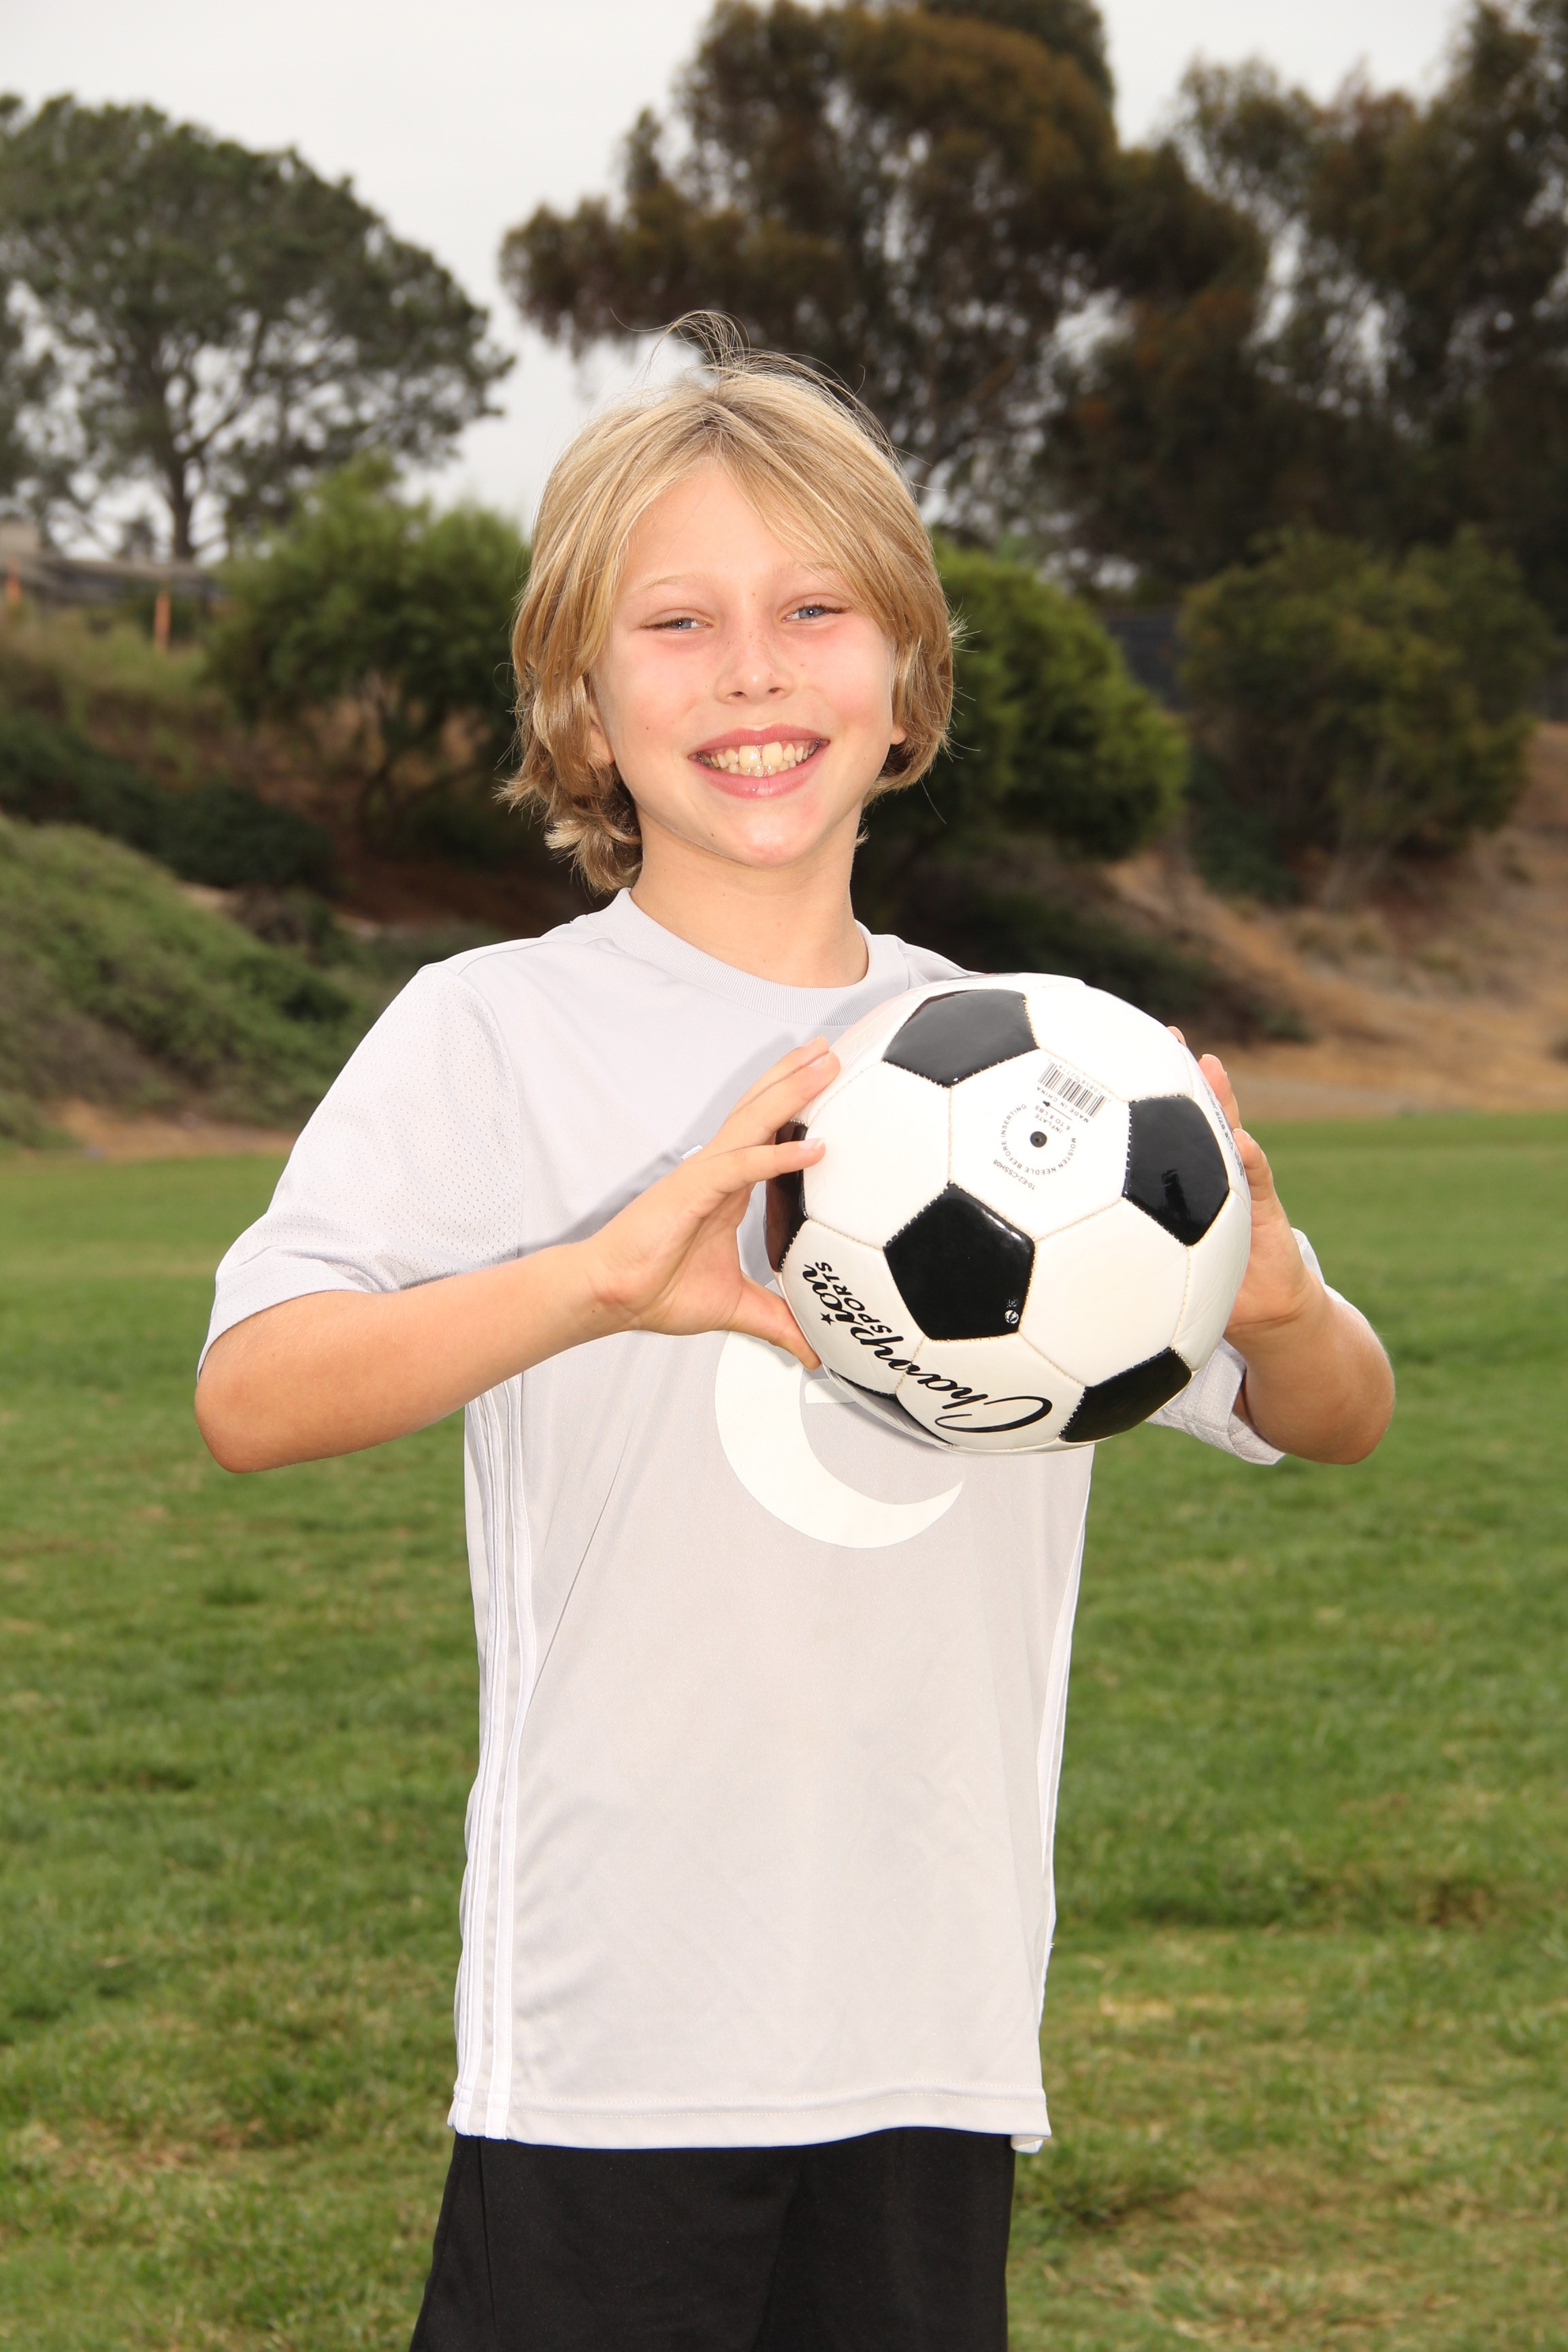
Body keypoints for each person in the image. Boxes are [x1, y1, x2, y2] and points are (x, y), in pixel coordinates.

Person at [195, 326, 1394, 2351]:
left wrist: (1281, 1298)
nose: (752, 672)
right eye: (679, 622)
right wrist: (597, 1278)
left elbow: (1336, 1415)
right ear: (582, 703)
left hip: (929, 2022)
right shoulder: (494, 1032)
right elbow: (253, 1393)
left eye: (815, 610)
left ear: (908, 673)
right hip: (612, 2032)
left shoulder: (1046, 1076)